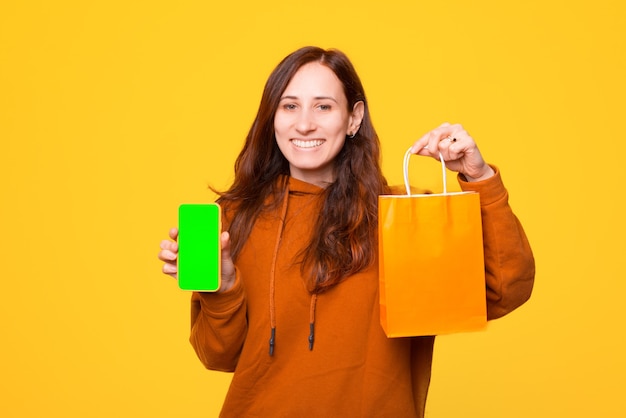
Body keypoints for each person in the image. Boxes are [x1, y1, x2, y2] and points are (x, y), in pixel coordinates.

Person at [158, 46, 535, 417]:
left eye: (323, 106)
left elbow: (505, 289)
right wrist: (222, 289)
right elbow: (217, 355)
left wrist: (479, 177)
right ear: (273, 117)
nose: (304, 123)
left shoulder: (403, 216)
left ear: (354, 119)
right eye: (290, 106)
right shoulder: (234, 218)